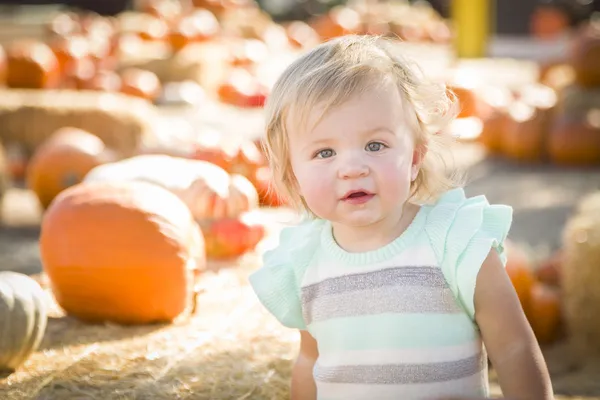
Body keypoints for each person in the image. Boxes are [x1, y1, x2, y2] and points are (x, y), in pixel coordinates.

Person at [249, 35, 554, 400]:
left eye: (375, 145)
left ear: (413, 158)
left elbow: (514, 348)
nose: (351, 168)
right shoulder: (303, 260)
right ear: (292, 172)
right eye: (324, 152)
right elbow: (309, 361)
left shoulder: (454, 242)